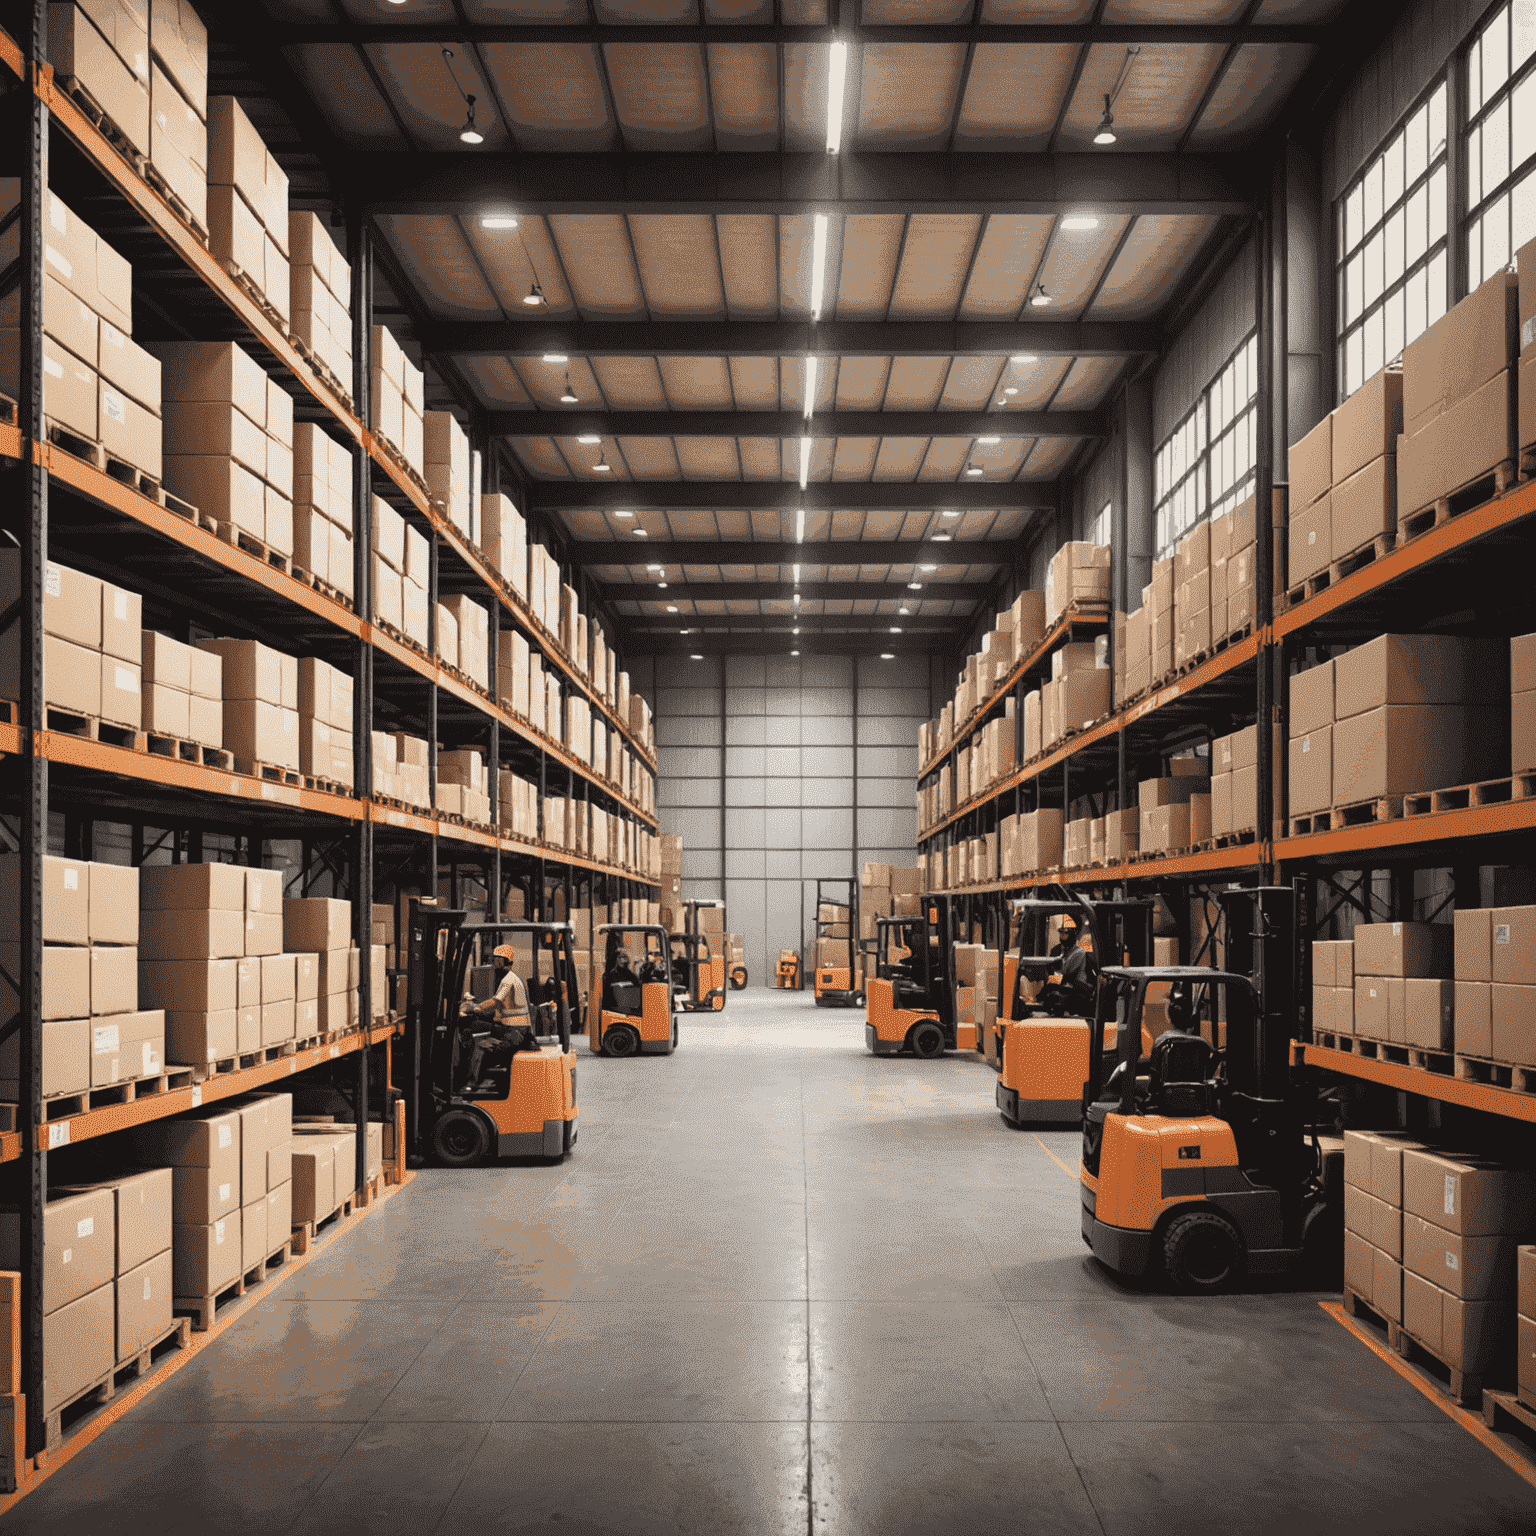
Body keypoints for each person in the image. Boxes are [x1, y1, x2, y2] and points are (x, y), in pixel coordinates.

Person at [463, 944, 533, 1090]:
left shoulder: (508, 980)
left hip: (514, 1032)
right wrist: (479, 1011)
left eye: (497, 961)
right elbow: (500, 1007)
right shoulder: (509, 978)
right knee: (474, 1027)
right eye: (494, 961)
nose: (494, 965)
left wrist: (475, 1007)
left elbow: (496, 1001)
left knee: (481, 1047)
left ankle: (471, 1085)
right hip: (511, 1028)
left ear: (505, 962)